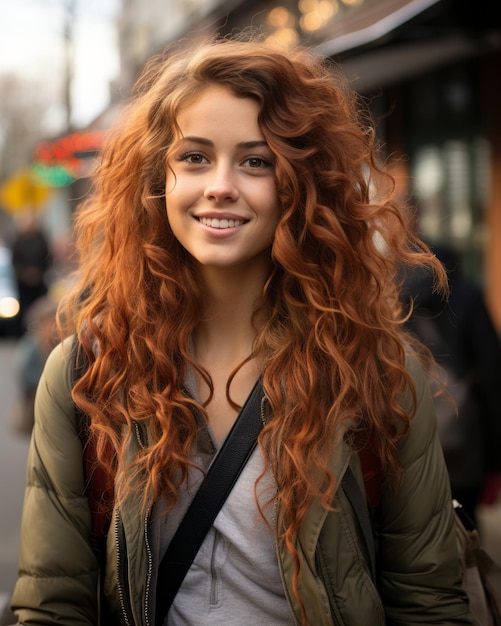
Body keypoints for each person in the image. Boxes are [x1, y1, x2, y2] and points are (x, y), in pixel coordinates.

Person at [9, 36, 472, 625]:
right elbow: (52, 607)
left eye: (256, 160)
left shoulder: (376, 373)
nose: (220, 184)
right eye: (195, 157)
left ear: (301, 185)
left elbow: (429, 603)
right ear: (158, 181)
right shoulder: (85, 374)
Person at [402, 243, 501, 523]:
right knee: (465, 526)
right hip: (465, 440)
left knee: (420, 527)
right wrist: (495, 461)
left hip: (413, 440)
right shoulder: (468, 295)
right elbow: (492, 376)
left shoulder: (397, 296)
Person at [10, 211, 52, 333]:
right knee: (24, 308)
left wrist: (39, 272)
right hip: (23, 283)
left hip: (39, 281)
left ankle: (42, 329)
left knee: (41, 306)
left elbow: (47, 258)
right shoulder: (18, 241)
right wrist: (24, 274)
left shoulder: (41, 239)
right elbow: (15, 262)